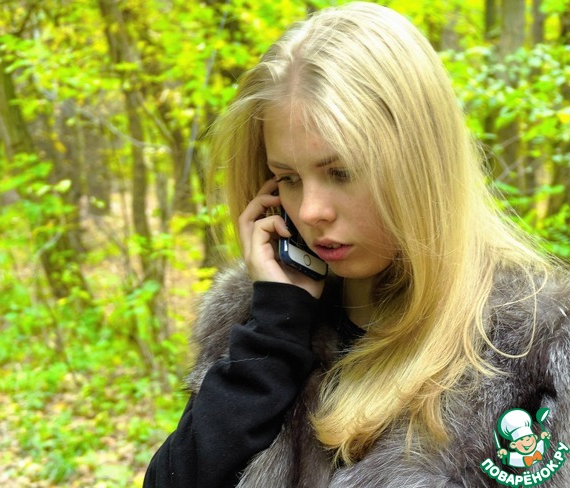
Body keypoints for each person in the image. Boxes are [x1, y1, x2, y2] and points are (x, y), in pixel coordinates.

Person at [143, 2, 570, 487]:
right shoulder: (262, 322)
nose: (309, 211)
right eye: (288, 178)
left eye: (341, 172)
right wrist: (274, 335)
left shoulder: (536, 352)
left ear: (422, 167)